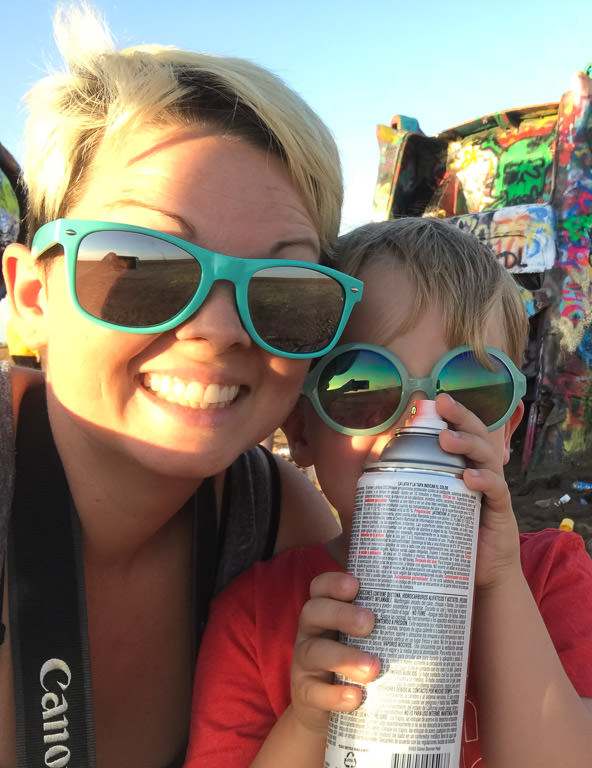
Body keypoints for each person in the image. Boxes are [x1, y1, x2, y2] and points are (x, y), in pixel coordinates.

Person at [0, 6, 360, 767]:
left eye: (284, 289)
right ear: (34, 298)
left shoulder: (279, 530)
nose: (222, 327)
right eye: (142, 267)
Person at [185, 217, 592, 768]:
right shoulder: (254, 617)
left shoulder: (549, 577)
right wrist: (306, 722)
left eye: (470, 388)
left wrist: (498, 584)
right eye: (364, 386)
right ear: (301, 431)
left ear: (508, 430)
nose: (420, 421)